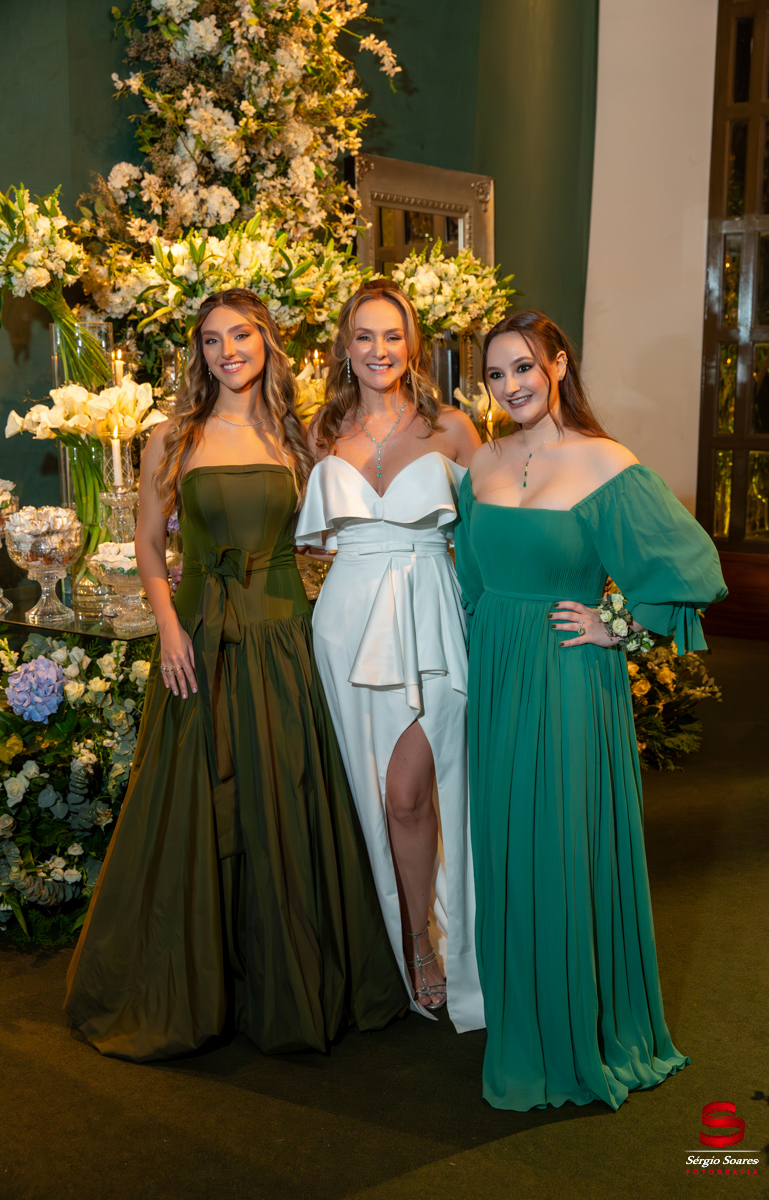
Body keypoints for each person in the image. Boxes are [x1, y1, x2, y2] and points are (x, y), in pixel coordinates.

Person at [65, 288, 408, 1061]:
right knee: (196, 803)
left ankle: (283, 987)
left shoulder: (299, 434)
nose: (228, 352)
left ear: (266, 342)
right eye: (212, 340)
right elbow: (149, 543)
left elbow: (333, 528)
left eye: (242, 335)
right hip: (199, 637)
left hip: (283, 634)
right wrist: (168, 625)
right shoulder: (172, 437)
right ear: (200, 352)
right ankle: (192, 985)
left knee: (283, 798)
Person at [454, 309, 727, 1110]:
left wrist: (617, 624)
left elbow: (694, 566)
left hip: (571, 678)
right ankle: (525, 1023)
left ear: (559, 364)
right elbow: (470, 583)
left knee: (562, 843)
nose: (511, 386)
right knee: (506, 845)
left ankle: (581, 1031)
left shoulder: (606, 462)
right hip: (498, 679)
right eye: (496, 374)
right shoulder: (482, 464)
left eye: (524, 367)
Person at [295, 280, 485, 1032]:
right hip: (345, 626)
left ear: (414, 345)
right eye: (365, 336)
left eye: (393, 335)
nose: (379, 350)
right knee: (366, 797)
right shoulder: (321, 431)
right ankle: (394, 941)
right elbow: (304, 539)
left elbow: (494, 528)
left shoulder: (453, 429)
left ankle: (431, 943)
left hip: (431, 617)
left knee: (410, 793)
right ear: (346, 347)